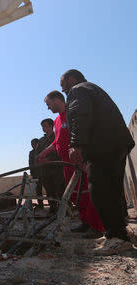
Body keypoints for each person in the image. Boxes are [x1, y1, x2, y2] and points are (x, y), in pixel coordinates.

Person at [60, 69, 135, 254]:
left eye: (63, 86)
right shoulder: (93, 89)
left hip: (103, 146)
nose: (64, 91)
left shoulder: (78, 90)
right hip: (115, 143)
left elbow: (80, 115)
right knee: (112, 190)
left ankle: (116, 237)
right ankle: (118, 234)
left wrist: (76, 145)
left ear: (71, 79)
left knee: (100, 191)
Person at [37, 90, 104, 237]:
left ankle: (97, 226)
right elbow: (57, 142)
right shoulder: (57, 121)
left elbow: (84, 134)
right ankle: (85, 222)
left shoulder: (73, 113)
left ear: (56, 100)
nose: (48, 108)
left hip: (79, 162)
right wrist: (43, 153)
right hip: (66, 165)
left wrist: (84, 159)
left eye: (49, 104)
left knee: (88, 192)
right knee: (76, 195)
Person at [35, 119, 65, 214]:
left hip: (57, 169)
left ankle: (64, 209)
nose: (44, 128)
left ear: (52, 126)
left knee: (60, 190)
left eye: (45, 126)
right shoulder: (41, 141)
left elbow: (60, 150)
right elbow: (37, 154)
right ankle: (52, 209)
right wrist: (39, 161)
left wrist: (49, 159)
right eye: (42, 127)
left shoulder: (57, 136)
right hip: (45, 171)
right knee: (49, 191)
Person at [28, 138, 43, 205]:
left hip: (44, 173)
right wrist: (32, 173)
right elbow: (30, 163)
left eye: (34, 144)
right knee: (38, 191)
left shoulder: (42, 151)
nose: (32, 145)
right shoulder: (31, 153)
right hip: (35, 174)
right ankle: (40, 204)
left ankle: (53, 205)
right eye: (32, 144)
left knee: (50, 190)